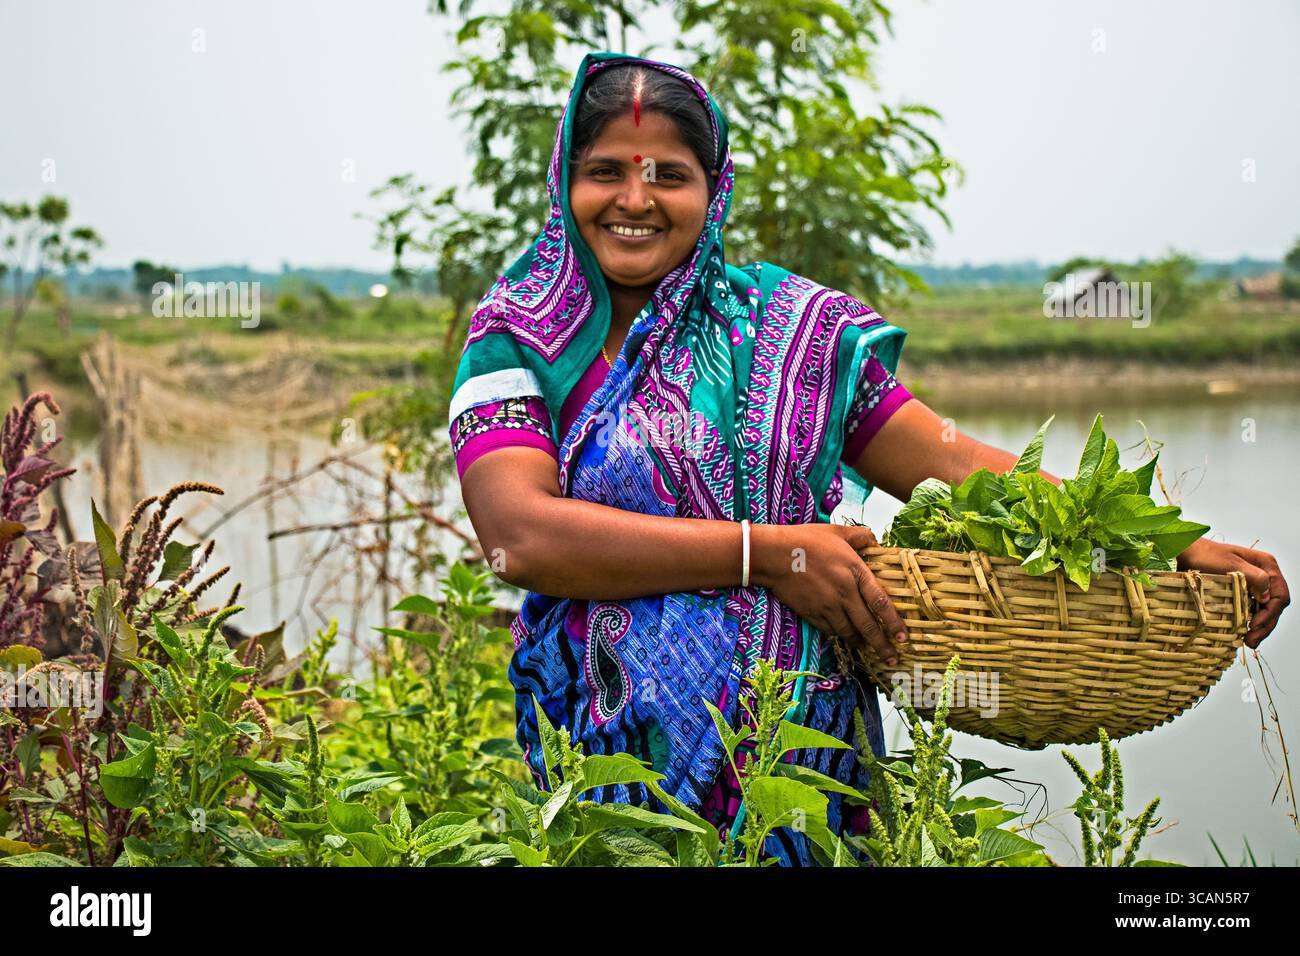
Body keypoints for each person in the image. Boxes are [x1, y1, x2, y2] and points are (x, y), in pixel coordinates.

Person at [448, 51, 1289, 865]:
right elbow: (519, 536)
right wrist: (769, 555)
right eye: (606, 171)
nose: (636, 199)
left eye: (670, 173)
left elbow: (960, 468)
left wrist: (1173, 542)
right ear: (567, 181)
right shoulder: (519, 336)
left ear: (714, 189)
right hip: (617, 770)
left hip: (811, 758)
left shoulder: (790, 329)